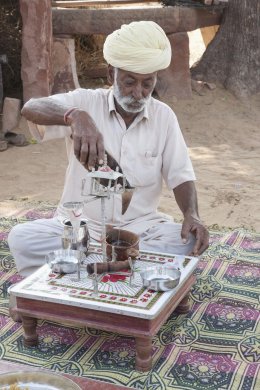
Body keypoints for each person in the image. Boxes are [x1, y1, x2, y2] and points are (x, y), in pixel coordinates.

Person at [8, 21, 209, 277]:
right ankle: (121, 268)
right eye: (129, 82)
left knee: (187, 241)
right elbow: (31, 108)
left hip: (140, 229)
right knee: (22, 238)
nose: (138, 93)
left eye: (147, 84)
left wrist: (192, 214)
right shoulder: (84, 102)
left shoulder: (164, 117)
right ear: (109, 74)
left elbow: (180, 174)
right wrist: (75, 116)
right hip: (81, 229)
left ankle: (92, 268)